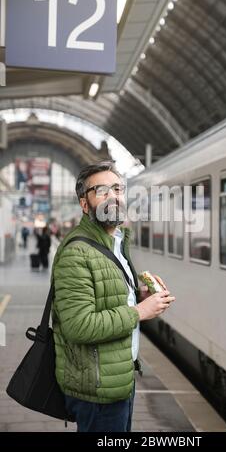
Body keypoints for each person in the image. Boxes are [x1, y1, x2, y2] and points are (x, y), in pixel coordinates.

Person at [51, 162, 175, 432]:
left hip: (117, 379)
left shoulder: (116, 242)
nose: (113, 196)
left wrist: (141, 294)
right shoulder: (77, 253)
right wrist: (140, 311)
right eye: (102, 190)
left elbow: (107, 297)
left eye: (118, 188)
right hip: (97, 389)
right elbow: (79, 325)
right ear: (85, 204)